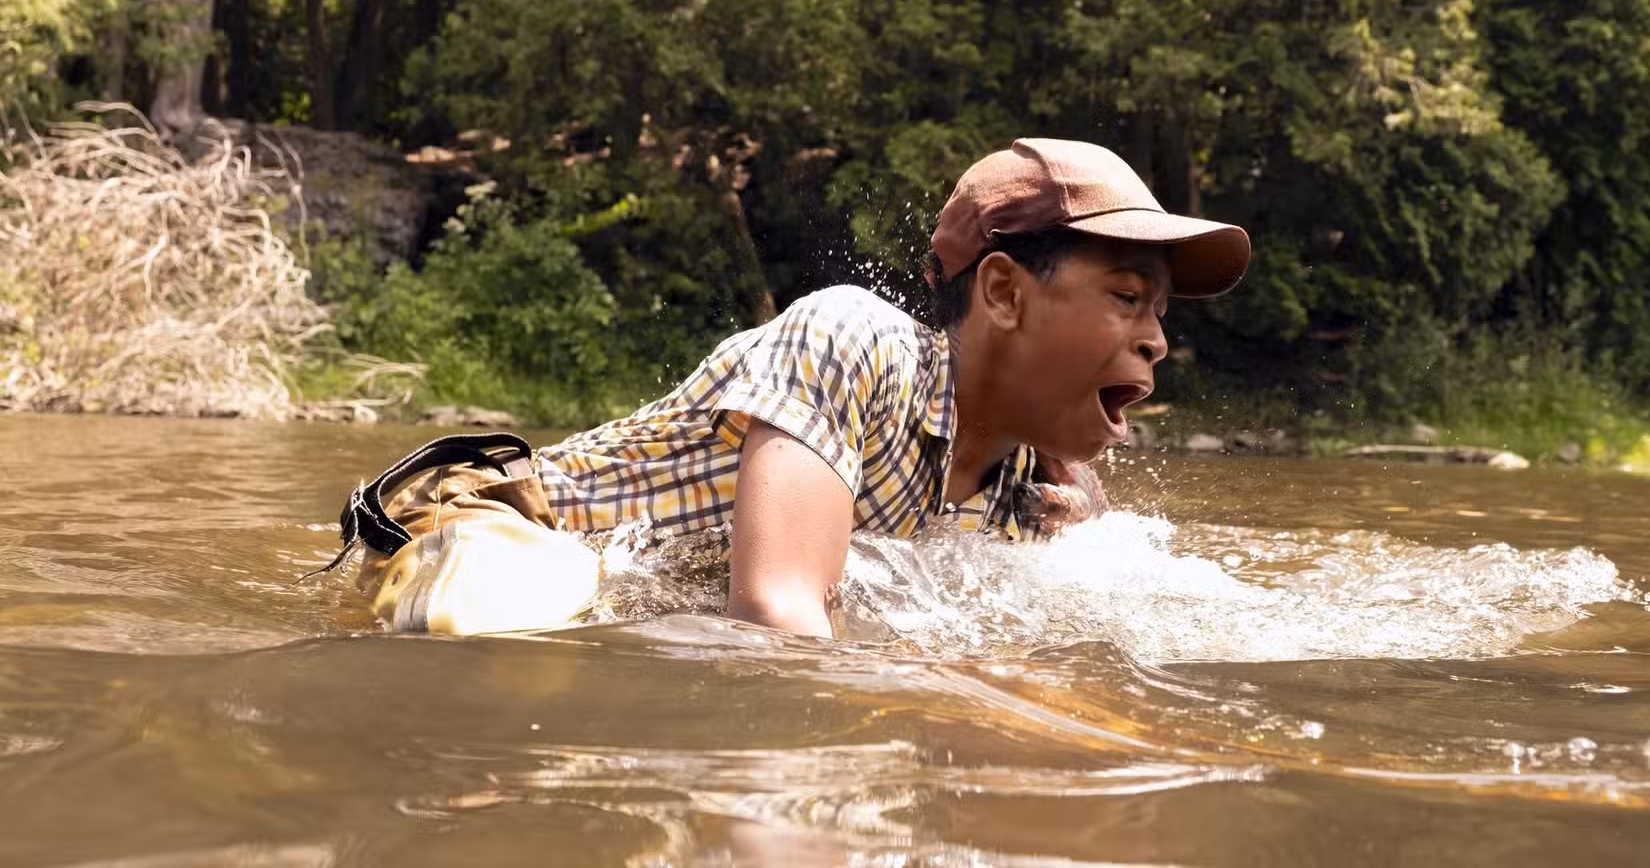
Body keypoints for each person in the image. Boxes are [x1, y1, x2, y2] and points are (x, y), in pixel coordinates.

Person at [327, 138, 1250, 638]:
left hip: (637, 606)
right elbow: (776, 615)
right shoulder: (855, 338)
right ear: (1004, 291)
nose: (1158, 340)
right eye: (1128, 298)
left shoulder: (1024, 489)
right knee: (499, 614)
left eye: (1162, 312)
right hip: (502, 532)